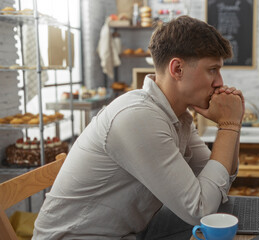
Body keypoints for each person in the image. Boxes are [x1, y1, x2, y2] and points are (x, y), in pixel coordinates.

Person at [33, 15, 244, 239]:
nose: (220, 82)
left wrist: (234, 122)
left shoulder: (177, 115)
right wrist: (227, 125)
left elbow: (220, 182)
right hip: (78, 236)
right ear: (178, 69)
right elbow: (200, 209)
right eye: (212, 70)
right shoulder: (138, 117)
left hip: (130, 231)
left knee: (231, 218)